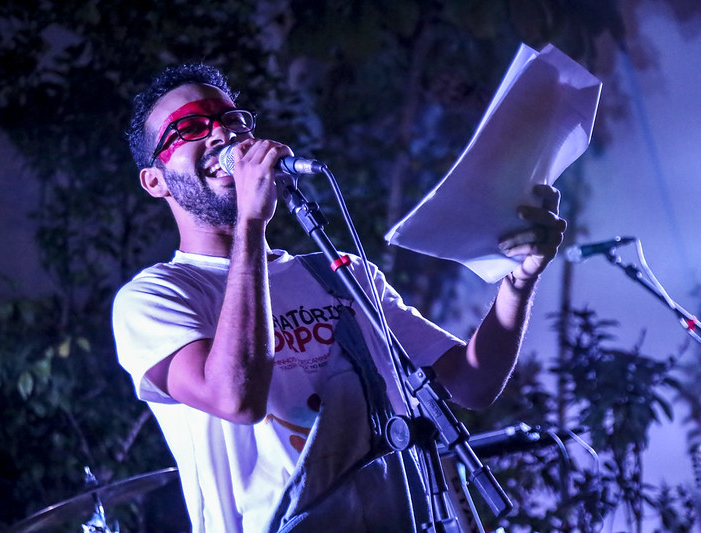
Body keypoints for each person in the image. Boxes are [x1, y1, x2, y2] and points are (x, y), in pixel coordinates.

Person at [113, 63, 567, 533]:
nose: (220, 135)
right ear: (155, 181)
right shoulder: (155, 298)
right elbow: (235, 399)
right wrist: (251, 221)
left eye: (231, 120)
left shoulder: (340, 274)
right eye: (189, 127)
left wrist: (517, 283)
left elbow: (472, 384)